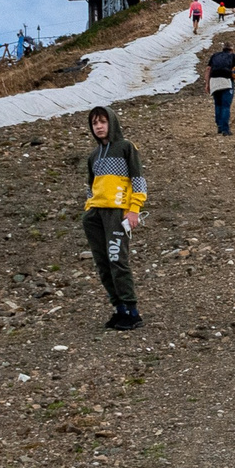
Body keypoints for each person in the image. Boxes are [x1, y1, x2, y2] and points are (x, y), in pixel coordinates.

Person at [81, 105, 146, 331]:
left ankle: (132, 311)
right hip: (95, 214)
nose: (98, 126)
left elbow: (138, 180)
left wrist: (134, 209)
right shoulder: (94, 156)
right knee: (103, 263)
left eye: (103, 121)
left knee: (117, 259)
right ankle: (118, 308)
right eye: (94, 123)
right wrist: (89, 208)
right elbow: (91, 186)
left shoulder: (126, 148)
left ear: (112, 122)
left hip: (118, 213)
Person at [206, 40, 235, 136]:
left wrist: (207, 84)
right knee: (225, 106)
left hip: (214, 81)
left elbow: (208, 69)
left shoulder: (215, 55)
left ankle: (219, 126)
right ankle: (225, 129)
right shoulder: (233, 57)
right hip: (226, 81)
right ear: (232, 49)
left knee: (218, 104)